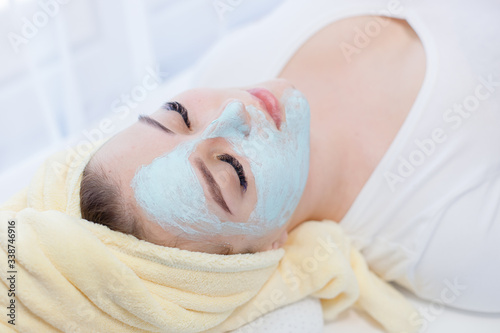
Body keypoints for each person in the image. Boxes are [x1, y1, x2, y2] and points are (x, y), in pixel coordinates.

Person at [80, 0, 500, 313]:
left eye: (177, 115)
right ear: (265, 252)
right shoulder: (449, 238)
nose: (233, 111)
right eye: (231, 169)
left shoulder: (229, 64)